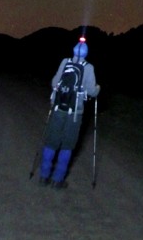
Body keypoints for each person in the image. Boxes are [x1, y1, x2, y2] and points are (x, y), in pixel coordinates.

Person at [39, 38, 100, 189]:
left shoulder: (64, 62)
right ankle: (57, 180)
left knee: (51, 141)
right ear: (86, 53)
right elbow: (92, 91)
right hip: (75, 113)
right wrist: (98, 88)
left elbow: (54, 83)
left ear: (73, 50)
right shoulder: (89, 67)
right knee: (67, 145)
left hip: (58, 108)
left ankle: (43, 176)